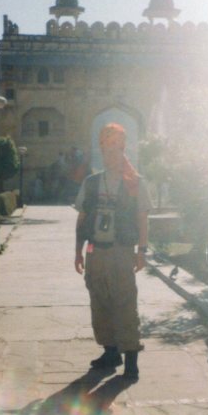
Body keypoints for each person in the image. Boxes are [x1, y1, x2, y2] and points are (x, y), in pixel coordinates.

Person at [74, 123, 152, 380]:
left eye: (116, 148)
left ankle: (131, 359)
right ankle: (110, 353)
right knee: (99, 303)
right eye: (107, 148)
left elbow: (142, 219)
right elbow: (82, 219)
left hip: (121, 252)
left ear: (123, 149)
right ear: (102, 150)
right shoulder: (92, 183)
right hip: (95, 252)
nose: (111, 153)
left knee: (125, 304)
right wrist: (77, 252)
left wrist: (141, 251)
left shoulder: (134, 183)